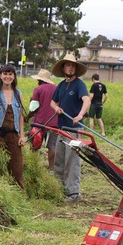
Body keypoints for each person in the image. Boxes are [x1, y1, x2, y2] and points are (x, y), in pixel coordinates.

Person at [50, 53, 91, 202]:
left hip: (74, 130)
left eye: (73, 65)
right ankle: (59, 189)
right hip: (62, 129)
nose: (71, 68)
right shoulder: (61, 86)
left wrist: (80, 115)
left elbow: (86, 100)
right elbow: (52, 102)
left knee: (71, 160)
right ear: (63, 68)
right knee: (59, 160)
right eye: (68, 65)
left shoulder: (79, 85)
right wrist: (56, 108)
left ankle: (73, 193)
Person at [0, 64, 26, 189]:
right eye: (5, 74)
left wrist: (21, 136)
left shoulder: (18, 94)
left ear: (14, 77)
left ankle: (20, 194)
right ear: (0, 76)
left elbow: (20, 117)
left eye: (10, 74)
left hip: (14, 135)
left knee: (17, 167)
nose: (8, 77)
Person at [26, 69, 58, 172]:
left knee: (34, 144)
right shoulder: (57, 89)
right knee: (51, 146)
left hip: (39, 122)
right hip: (54, 122)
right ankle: (51, 169)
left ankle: (33, 165)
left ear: (40, 80)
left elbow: (33, 108)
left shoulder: (38, 89)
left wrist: (27, 117)